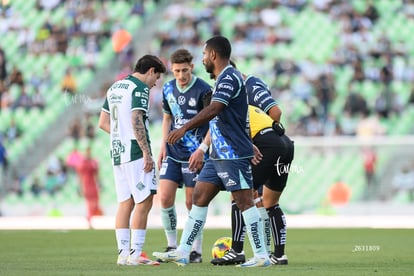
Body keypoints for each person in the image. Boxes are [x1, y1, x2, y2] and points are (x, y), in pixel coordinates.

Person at [153, 35, 271, 267]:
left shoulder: (229, 77)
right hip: (217, 154)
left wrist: (185, 127)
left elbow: (215, 109)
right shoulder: (222, 78)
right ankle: (184, 251)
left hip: (232, 154)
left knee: (244, 201)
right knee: (199, 197)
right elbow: (237, 117)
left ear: (214, 55)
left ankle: (261, 255)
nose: (203, 58)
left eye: (205, 54)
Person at [211, 67, 293, 266]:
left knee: (240, 195)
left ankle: (237, 251)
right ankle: (278, 255)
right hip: (286, 145)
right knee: (270, 202)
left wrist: (254, 146)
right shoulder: (243, 101)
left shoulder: (239, 96)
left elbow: (275, 112)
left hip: (267, 145)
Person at [98, 54, 166, 266]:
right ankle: (135, 255)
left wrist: (121, 137)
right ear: (151, 71)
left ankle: (123, 255)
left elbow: (103, 122)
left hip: (117, 153)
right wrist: (146, 152)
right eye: (156, 78)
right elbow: (137, 117)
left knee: (125, 203)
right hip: (135, 152)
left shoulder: (115, 87)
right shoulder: (140, 89)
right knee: (144, 200)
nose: (156, 83)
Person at [156, 48, 211, 263]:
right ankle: (172, 244)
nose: (180, 76)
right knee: (165, 197)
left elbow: (212, 123)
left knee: (192, 202)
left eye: (184, 71)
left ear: (192, 67)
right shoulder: (168, 88)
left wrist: (202, 149)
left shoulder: (204, 90)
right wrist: (162, 146)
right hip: (172, 152)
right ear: (171, 69)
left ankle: (195, 249)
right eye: (177, 71)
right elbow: (167, 118)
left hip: (193, 154)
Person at [76, 147, 103, 226]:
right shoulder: (83, 163)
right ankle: (90, 218)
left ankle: (90, 217)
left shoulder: (93, 162)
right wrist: (80, 187)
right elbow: (80, 176)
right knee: (90, 203)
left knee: (95, 202)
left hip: (93, 184)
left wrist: (99, 183)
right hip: (86, 185)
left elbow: (97, 174)